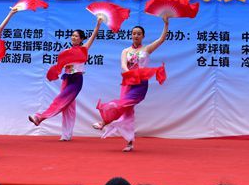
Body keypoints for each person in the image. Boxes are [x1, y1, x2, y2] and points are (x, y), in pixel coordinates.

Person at [93, 16, 169, 152]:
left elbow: (161, 39)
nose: (136, 36)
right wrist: (129, 73)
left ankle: (104, 122)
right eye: (134, 33)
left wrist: (166, 24)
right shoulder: (125, 51)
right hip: (128, 82)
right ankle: (129, 143)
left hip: (140, 84)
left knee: (123, 104)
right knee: (128, 112)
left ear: (143, 36)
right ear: (131, 35)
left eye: (139, 34)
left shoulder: (146, 49)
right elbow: (123, 65)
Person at [28, 17, 102, 141]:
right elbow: (60, 66)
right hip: (66, 79)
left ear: (81, 39)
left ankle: (39, 117)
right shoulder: (66, 51)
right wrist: (54, 72)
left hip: (76, 80)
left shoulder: (84, 49)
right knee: (68, 108)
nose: (74, 38)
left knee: (60, 101)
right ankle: (66, 135)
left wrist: (98, 25)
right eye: (72, 36)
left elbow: (93, 37)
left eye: (76, 36)